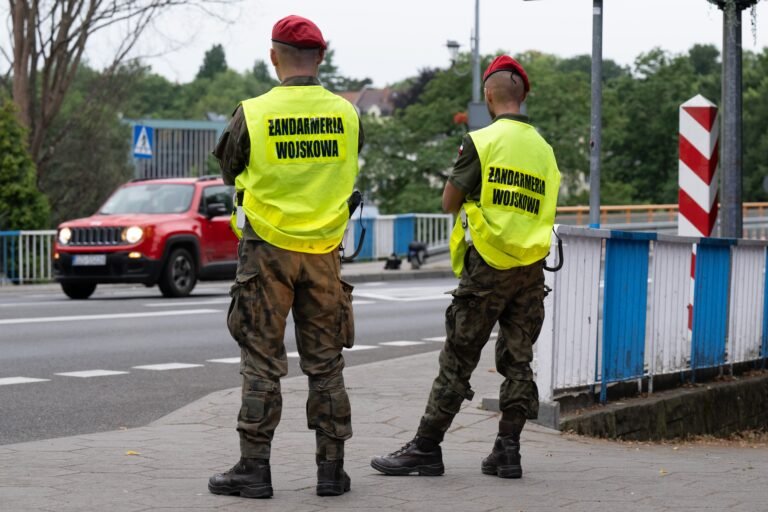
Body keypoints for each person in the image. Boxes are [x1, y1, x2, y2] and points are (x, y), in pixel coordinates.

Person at [370, 55, 560, 479]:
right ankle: (507, 451)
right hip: (531, 266)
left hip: (488, 264)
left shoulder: (481, 141)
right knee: (519, 359)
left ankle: (426, 448)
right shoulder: (545, 151)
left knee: (458, 357)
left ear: (489, 95)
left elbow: (449, 202)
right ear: (523, 95)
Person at [208, 15, 363, 499]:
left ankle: (254, 468)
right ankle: (331, 471)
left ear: (273, 57)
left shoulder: (253, 113)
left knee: (261, 359)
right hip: (324, 253)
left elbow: (229, 167)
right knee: (326, 362)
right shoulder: (348, 114)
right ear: (322, 57)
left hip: (267, 253)